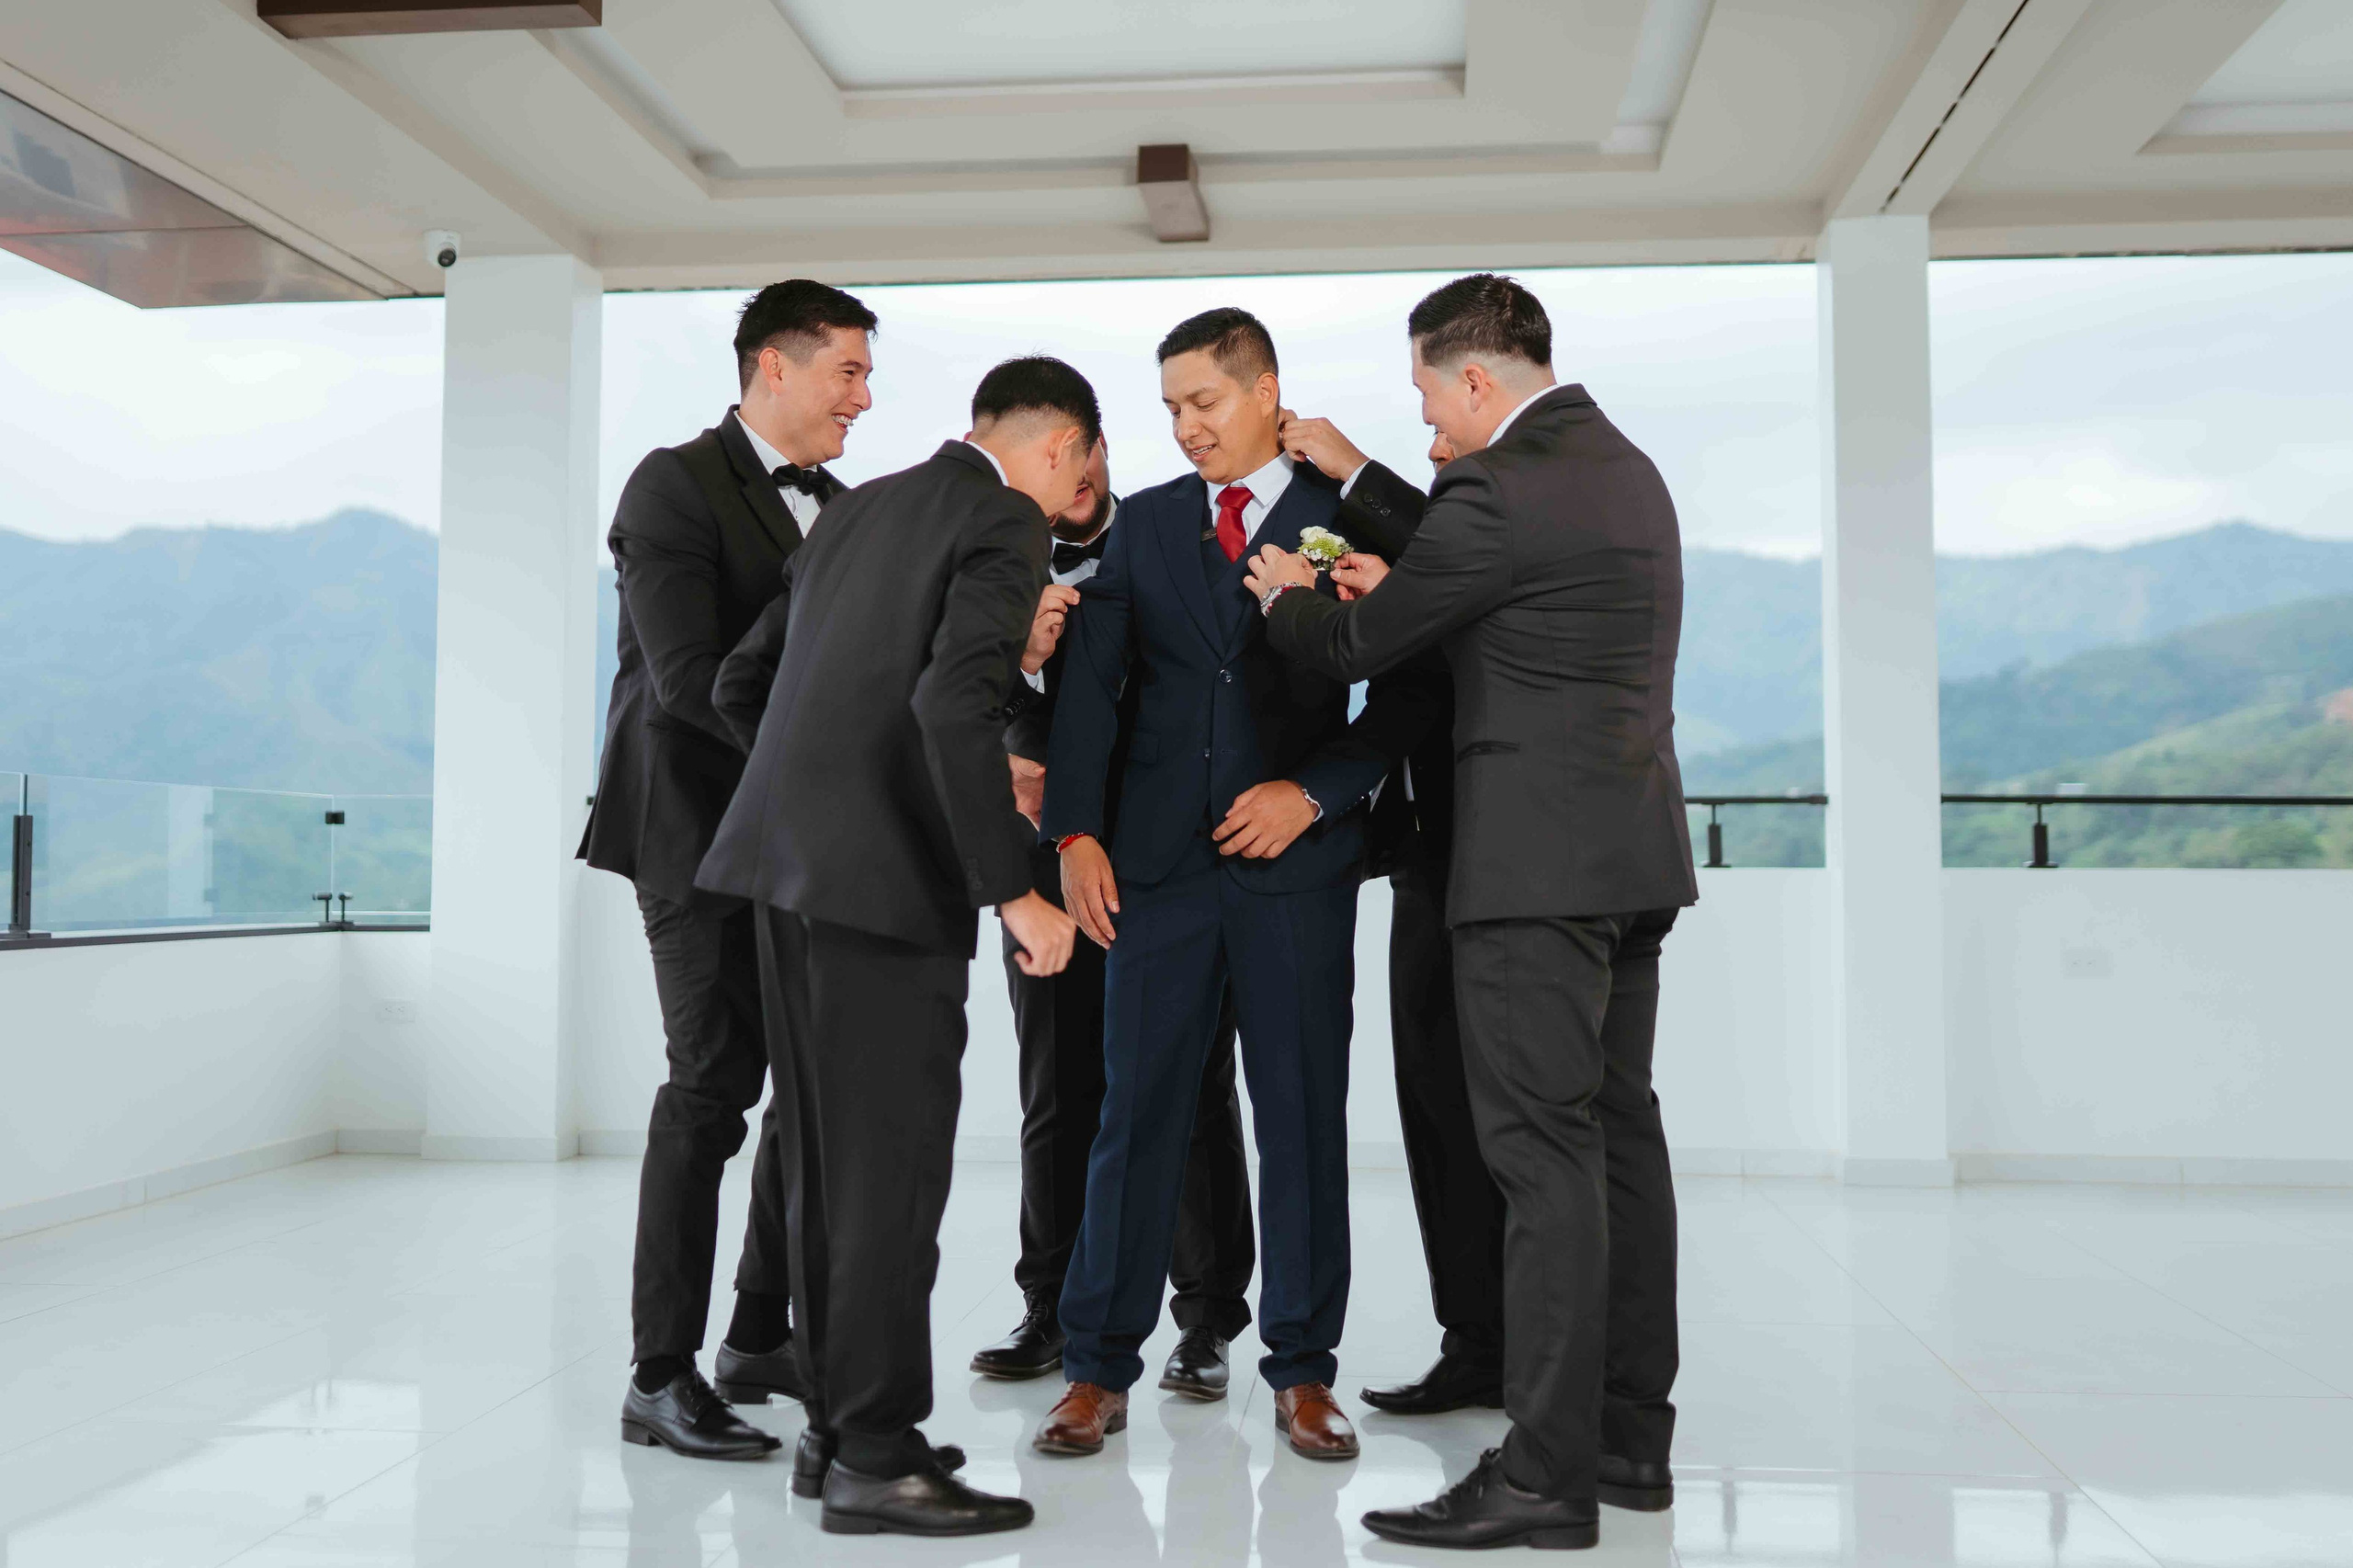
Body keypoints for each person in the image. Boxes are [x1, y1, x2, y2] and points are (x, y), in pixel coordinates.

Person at [1245, 273, 1698, 1551]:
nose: (1430, 421)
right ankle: (1626, 1440)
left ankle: (1542, 1474)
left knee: (1541, 1165)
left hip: (1532, 879)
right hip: (1630, 861)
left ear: (1477, 379)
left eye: (1431, 394)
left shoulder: (1494, 488)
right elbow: (1518, 630)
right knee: (1616, 1147)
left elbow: (1352, 652)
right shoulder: (1628, 468)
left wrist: (1286, 593)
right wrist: (1406, 585)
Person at [1033, 308, 1443, 1464]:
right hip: (1154, 874)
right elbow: (1089, 694)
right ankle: (1093, 1367)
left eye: (1203, 402)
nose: (1185, 427)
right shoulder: (1147, 526)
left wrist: (1314, 793)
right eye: (1168, 408)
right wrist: (1073, 835)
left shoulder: (1345, 518)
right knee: (1135, 1118)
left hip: (1297, 870)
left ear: (1267, 390)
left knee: (1302, 1117)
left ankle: (1304, 1371)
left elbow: (1414, 690)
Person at [697, 357, 1096, 1539]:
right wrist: (1014, 890)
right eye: (1080, 472)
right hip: (879, 893)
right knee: (886, 1174)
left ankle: (835, 1425)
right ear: (1061, 449)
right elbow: (946, 705)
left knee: (820, 1162)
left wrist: (816, 785)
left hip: (779, 870)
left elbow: (744, 679)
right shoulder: (1004, 518)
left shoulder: (860, 506)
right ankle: (873, 1451)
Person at [583, 278, 875, 1461]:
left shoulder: (847, 510)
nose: (865, 394)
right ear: (774, 368)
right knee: (710, 1086)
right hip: (690, 830)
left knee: (802, 1086)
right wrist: (838, 766)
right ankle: (658, 1374)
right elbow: (688, 677)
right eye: (849, 369)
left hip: (793, 840)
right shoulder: (672, 482)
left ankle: (760, 1336)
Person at [975, 435, 1260, 1397]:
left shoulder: (1166, 534)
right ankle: (1050, 1303)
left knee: (1188, 1087)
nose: (1073, 479)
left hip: (1165, 858)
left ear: (1095, 451)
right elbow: (971, 689)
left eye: (1082, 455)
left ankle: (1207, 1316)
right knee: (1055, 1084)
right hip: (1042, 858)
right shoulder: (992, 558)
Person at [1272, 414, 1510, 1418]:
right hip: (1421, 861)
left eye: (1440, 429)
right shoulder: (1429, 551)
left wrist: (1352, 466)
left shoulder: (1501, 522)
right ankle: (1477, 1342)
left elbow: (1438, 570)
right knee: (1433, 1111)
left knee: (1505, 1117)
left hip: (1497, 866)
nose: (1430, 443)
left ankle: (1532, 1347)